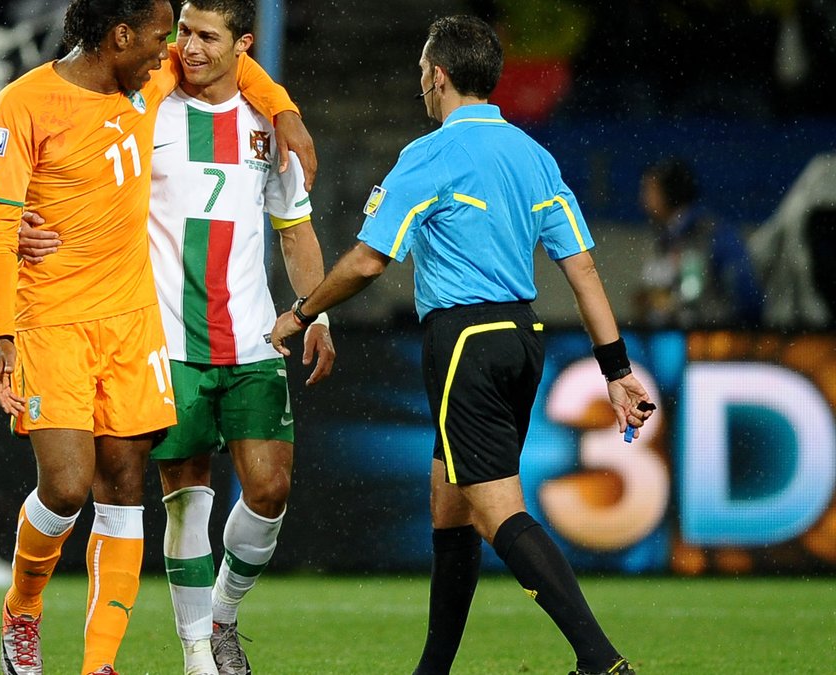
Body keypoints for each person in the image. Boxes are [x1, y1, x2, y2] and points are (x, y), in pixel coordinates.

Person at [269, 15, 654, 675]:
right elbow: (583, 269)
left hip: (465, 340)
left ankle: (600, 659)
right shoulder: (533, 156)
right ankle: (434, 669)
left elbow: (368, 260)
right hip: (522, 336)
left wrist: (302, 312)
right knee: (450, 504)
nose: (421, 82)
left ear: (438, 76)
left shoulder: (429, 155)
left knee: (497, 511)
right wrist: (616, 369)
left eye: (423, 71)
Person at [0, 1, 314, 674]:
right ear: (120, 36)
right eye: (162, 38)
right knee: (66, 487)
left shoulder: (146, 81)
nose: (171, 53)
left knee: (125, 488)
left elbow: (238, 64)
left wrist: (284, 110)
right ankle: (22, 609)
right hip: (52, 318)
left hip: (132, 322)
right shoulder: (24, 102)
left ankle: (99, 663)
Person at [634, 156, 763, 328]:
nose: (643, 199)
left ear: (669, 192)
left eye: (649, 189)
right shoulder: (667, 236)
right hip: (680, 336)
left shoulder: (711, 234)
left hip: (709, 337)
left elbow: (747, 294)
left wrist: (736, 331)